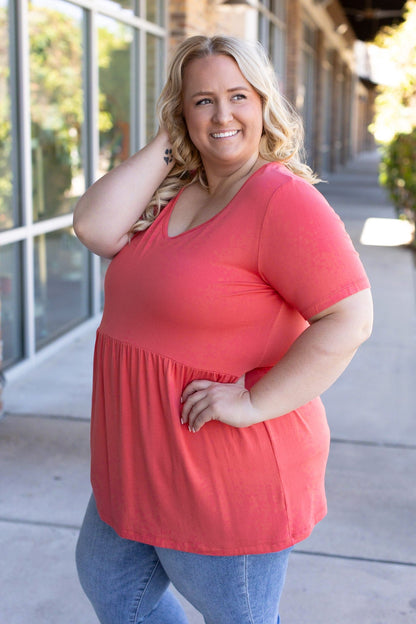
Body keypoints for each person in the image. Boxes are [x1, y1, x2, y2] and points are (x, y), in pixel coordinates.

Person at [74, 35, 373, 624]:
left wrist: (254, 402)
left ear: (264, 102)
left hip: (221, 469)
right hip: (137, 453)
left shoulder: (281, 200)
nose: (223, 114)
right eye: (202, 100)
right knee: (112, 586)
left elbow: (350, 319)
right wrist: (174, 138)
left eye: (238, 96)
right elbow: (93, 227)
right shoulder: (178, 190)